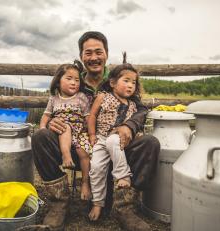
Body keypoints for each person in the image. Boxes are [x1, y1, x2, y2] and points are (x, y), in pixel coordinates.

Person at [31, 31, 160, 231]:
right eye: (88, 53)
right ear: (81, 56)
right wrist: (49, 124)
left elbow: (140, 108)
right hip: (76, 143)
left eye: (98, 52)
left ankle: (125, 206)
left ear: (106, 54)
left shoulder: (118, 77)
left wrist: (129, 126)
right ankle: (59, 203)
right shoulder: (74, 80)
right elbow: (55, 105)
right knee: (40, 136)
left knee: (149, 143)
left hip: (115, 143)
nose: (93, 58)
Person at [87, 53, 142, 221]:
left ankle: (122, 175)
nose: (131, 85)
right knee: (95, 167)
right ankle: (97, 202)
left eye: (133, 82)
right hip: (101, 139)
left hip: (118, 140)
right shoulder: (103, 96)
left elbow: (134, 126)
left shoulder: (133, 105)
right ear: (112, 83)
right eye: (126, 80)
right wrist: (91, 135)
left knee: (113, 140)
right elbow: (92, 116)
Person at [39, 60, 92, 200]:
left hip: (80, 132)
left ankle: (86, 183)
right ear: (58, 82)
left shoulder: (81, 97)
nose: (74, 82)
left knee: (84, 152)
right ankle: (66, 155)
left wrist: (90, 133)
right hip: (61, 130)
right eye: (69, 79)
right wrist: (43, 129)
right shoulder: (54, 99)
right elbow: (46, 116)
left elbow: (88, 117)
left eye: (76, 80)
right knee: (65, 127)